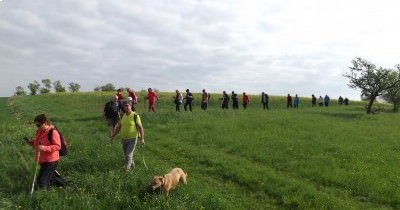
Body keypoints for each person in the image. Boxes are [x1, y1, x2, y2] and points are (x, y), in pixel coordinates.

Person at [26, 114, 66, 189]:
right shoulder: (40, 131)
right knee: (50, 176)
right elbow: (39, 142)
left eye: (38, 125)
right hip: (43, 159)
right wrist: (32, 142)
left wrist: (45, 148)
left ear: (45, 123)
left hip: (51, 160)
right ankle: (62, 185)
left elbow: (57, 146)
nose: (37, 127)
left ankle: (43, 195)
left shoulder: (53, 132)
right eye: (36, 125)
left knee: (42, 180)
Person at [112, 101, 145, 171]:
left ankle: (127, 170)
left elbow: (140, 127)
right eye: (125, 106)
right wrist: (113, 136)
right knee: (127, 155)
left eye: (128, 106)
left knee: (128, 155)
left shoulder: (135, 116)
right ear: (123, 107)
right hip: (123, 139)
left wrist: (142, 139)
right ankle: (133, 166)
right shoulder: (123, 116)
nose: (126, 107)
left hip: (132, 139)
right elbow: (119, 127)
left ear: (130, 107)